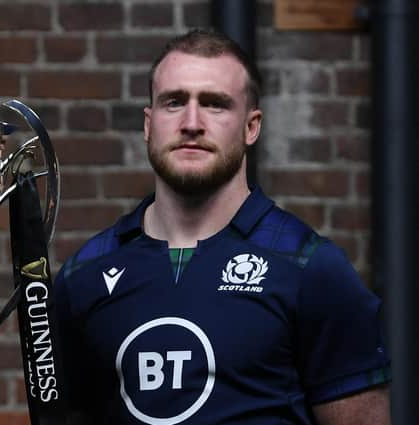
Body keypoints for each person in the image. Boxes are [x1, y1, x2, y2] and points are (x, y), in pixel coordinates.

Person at [53, 29, 391, 425]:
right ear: (149, 123)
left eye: (214, 105)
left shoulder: (311, 269)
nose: (191, 123)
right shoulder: (84, 278)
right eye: (174, 102)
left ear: (251, 127)